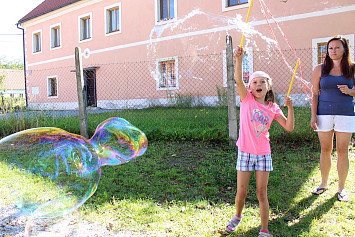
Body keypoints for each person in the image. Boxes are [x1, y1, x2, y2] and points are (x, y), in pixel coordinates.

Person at [224, 46, 294, 237]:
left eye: (262, 81)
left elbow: (289, 127)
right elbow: (238, 79)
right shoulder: (246, 99)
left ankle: (264, 230)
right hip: (245, 152)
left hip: (263, 154)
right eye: (255, 81)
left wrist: (290, 108)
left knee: (262, 193)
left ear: (268, 86)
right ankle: (237, 217)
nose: (258, 84)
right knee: (241, 192)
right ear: (250, 87)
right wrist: (238, 59)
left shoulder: (273, 107)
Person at [310, 35, 355, 202]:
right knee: (325, 149)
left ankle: (341, 188)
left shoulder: (352, 68)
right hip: (324, 114)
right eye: (330, 48)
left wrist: (350, 91)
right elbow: (315, 94)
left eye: (337, 47)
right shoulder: (319, 69)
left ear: (344, 50)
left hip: (346, 114)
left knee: (343, 150)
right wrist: (313, 116)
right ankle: (323, 184)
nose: (333, 51)